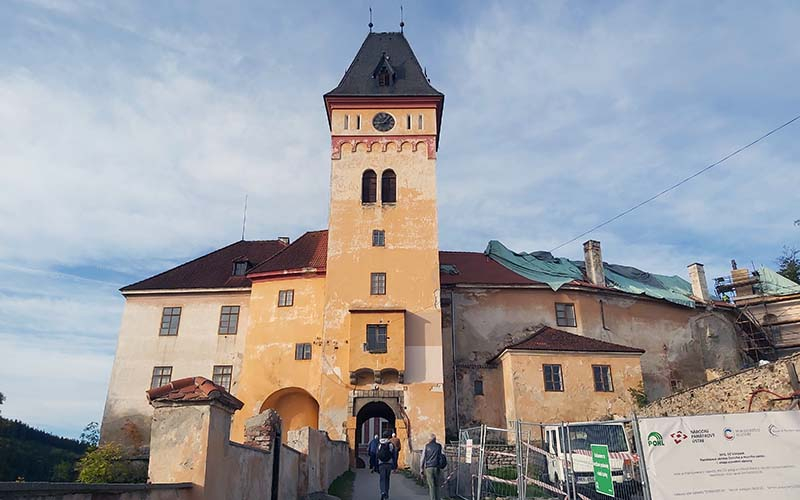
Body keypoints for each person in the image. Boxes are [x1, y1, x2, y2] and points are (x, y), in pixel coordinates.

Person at [421, 433, 444, 500]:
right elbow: (442, 456)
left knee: (431, 486)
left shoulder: (426, 446)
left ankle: (433, 499)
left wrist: (421, 469)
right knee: (437, 485)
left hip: (429, 467)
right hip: (437, 467)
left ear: (429, 439)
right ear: (435, 439)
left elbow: (422, 458)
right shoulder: (439, 446)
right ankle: (438, 498)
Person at [376, 430, 395, 500]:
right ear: (388, 437)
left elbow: (377, 455)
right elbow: (393, 454)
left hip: (381, 464)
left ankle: (382, 492)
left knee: (382, 479)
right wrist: (394, 464)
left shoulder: (379, 444)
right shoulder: (390, 444)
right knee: (387, 479)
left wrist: (375, 466)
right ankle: (386, 493)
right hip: (389, 464)